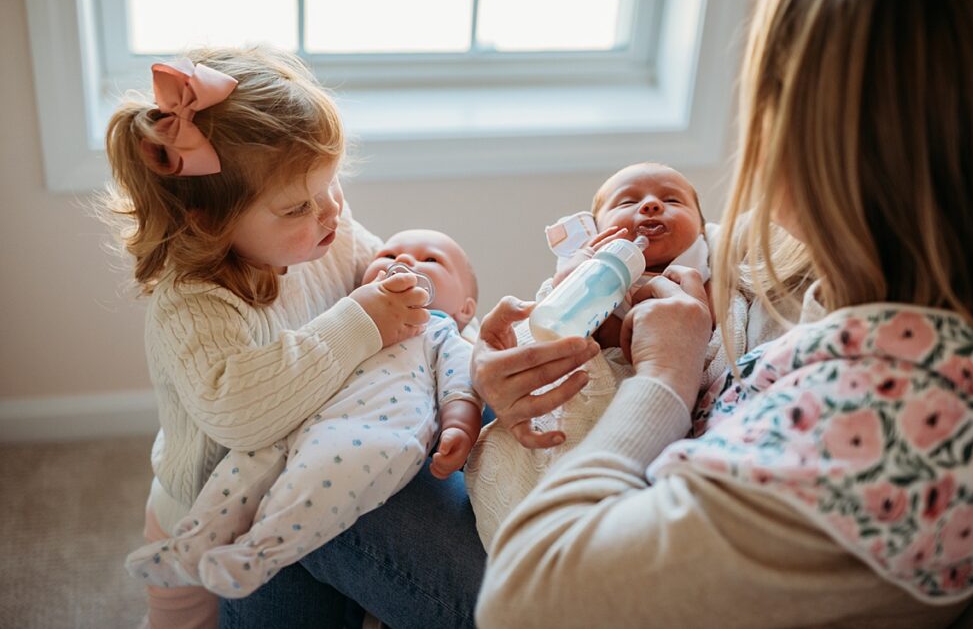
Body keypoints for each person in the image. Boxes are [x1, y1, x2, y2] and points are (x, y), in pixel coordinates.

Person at [222, 0, 973, 627]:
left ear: (796, 127)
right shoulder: (833, 267)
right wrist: (494, 382)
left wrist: (664, 378)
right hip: (600, 484)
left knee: (300, 476)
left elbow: (530, 600)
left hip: (559, 580)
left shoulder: (897, 416)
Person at [103, 46, 433, 628]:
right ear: (211, 221)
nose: (331, 212)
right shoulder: (194, 304)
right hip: (199, 515)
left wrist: (402, 283)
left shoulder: (329, 235)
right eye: (298, 206)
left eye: (332, 185)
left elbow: (376, 280)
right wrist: (360, 321)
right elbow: (243, 415)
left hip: (298, 484)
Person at [124, 229, 482, 598]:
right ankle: (191, 545)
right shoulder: (351, 309)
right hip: (300, 414)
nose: (403, 261)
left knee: (313, 492)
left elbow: (462, 385)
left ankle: (256, 554)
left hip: (367, 433)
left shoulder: (442, 332)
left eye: (430, 260)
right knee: (240, 473)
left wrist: (459, 425)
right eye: (388, 256)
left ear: (466, 309)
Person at [465, 162, 745, 550]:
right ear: (597, 230)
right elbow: (575, 341)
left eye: (672, 200)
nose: (650, 205)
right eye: (627, 202)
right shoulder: (591, 276)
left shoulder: (710, 276)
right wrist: (570, 282)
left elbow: (709, 330)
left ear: (702, 228)